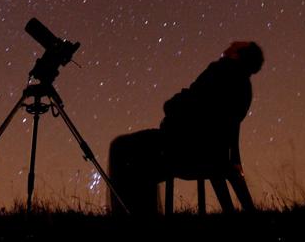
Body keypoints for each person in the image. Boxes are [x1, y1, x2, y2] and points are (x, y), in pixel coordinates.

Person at [109, 41, 264, 215]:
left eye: (234, 46)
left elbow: (185, 102)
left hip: (185, 148)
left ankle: (130, 214)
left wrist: (172, 104)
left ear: (237, 54)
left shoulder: (219, 71)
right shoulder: (245, 87)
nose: (228, 46)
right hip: (209, 152)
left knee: (121, 147)